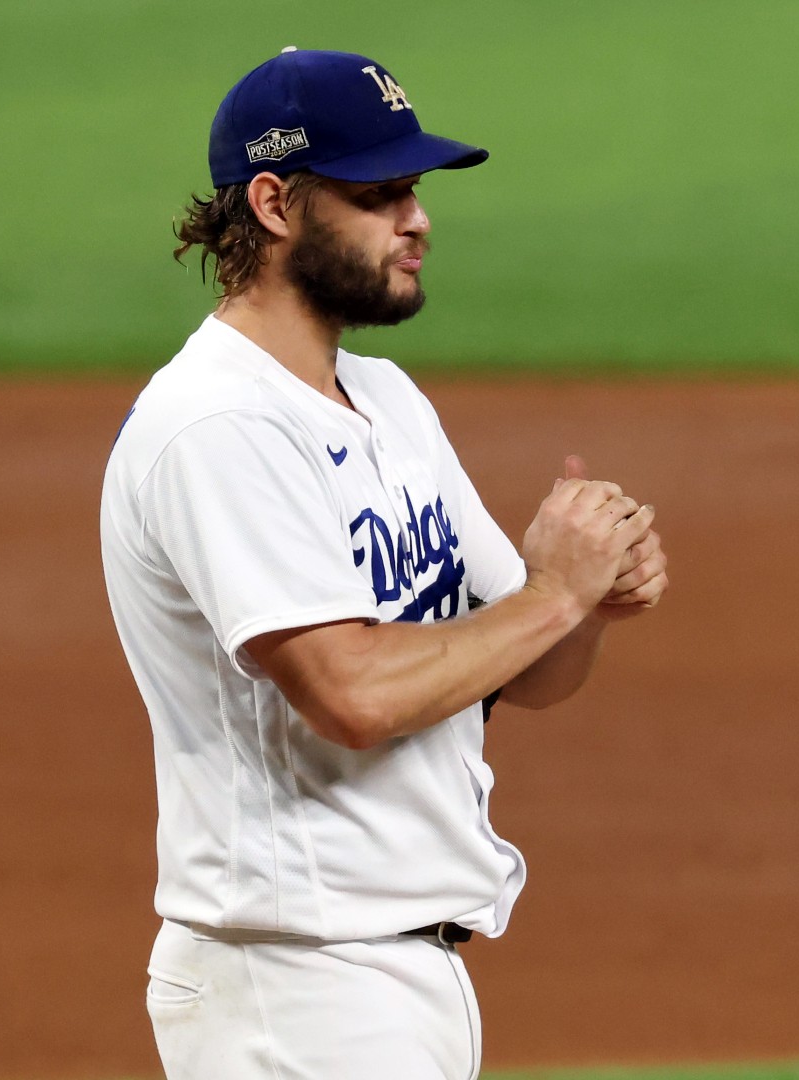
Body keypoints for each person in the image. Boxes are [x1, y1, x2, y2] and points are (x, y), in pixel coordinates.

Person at [99, 47, 669, 1079]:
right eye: (381, 194)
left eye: (415, 189)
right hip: (293, 985)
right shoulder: (216, 425)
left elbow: (526, 667)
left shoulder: (387, 400)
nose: (419, 219)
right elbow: (349, 695)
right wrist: (553, 592)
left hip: (386, 981)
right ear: (274, 204)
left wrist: (585, 598)